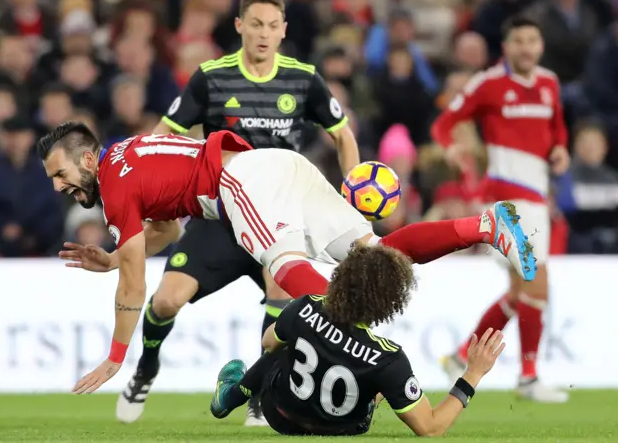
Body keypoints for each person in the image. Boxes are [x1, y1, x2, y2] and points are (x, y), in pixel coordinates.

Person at [37, 122, 535, 399]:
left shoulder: (113, 183)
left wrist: (115, 357)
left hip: (240, 182)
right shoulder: (128, 154)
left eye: (60, 174)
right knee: (374, 256)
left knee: (283, 266)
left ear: (86, 160)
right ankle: (484, 227)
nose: (59, 187)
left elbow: (133, 286)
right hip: (282, 164)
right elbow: (165, 228)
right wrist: (119, 256)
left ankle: (362, 350)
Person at [139, 0, 361, 426]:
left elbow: (343, 134)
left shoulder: (303, 78)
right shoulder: (211, 77)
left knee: (282, 297)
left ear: (284, 31)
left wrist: (350, 188)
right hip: (220, 212)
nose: (263, 34)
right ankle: (147, 361)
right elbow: (163, 133)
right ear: (239, 26)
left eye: (272, 26)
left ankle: (262, 394)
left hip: (279, 215)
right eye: (255, 24)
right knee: (166, 301)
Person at [209, 244, 506, 437]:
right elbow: (430, 428)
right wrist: (472, 375)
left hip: (282, 416)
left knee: (281, 346)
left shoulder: (305, 306)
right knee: (384, 383)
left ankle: (231, 397)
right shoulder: (388, 357)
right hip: (345, 428)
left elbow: (268, 342)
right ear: (391, 300)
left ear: (341, 277)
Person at [431, 16, 570, 403]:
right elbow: (445, 124)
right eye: (519, 41)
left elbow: (558, 129)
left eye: (532, 40)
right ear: (506, 47)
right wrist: (451, 148)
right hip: (507, 201)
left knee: (519, 291)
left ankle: (462, 356)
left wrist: (560, 148)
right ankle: (528, 377)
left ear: (540, 45)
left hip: (538, 197)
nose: (526, 47)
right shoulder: (488, 84)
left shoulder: (548, 83)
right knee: (537, 283)